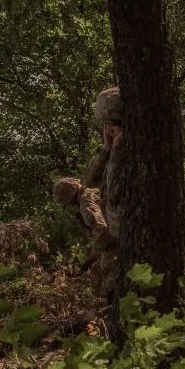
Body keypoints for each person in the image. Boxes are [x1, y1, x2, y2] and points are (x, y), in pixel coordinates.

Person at [52, 177, 116, 296]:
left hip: (114, 243)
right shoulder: (91, 192)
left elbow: (101, 228)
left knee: (99, 277)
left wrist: (93, 256)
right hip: (114, 238)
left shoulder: (86, 204)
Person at [85, 87, 123, 240]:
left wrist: (117, 148)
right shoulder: (111, 152)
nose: (109, 129)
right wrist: (107, 148)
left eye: (113, 124)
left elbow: (115, 191)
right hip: (115, 230)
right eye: (106, 125)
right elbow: (90, 181)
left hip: (125, 229)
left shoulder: (129, 154)